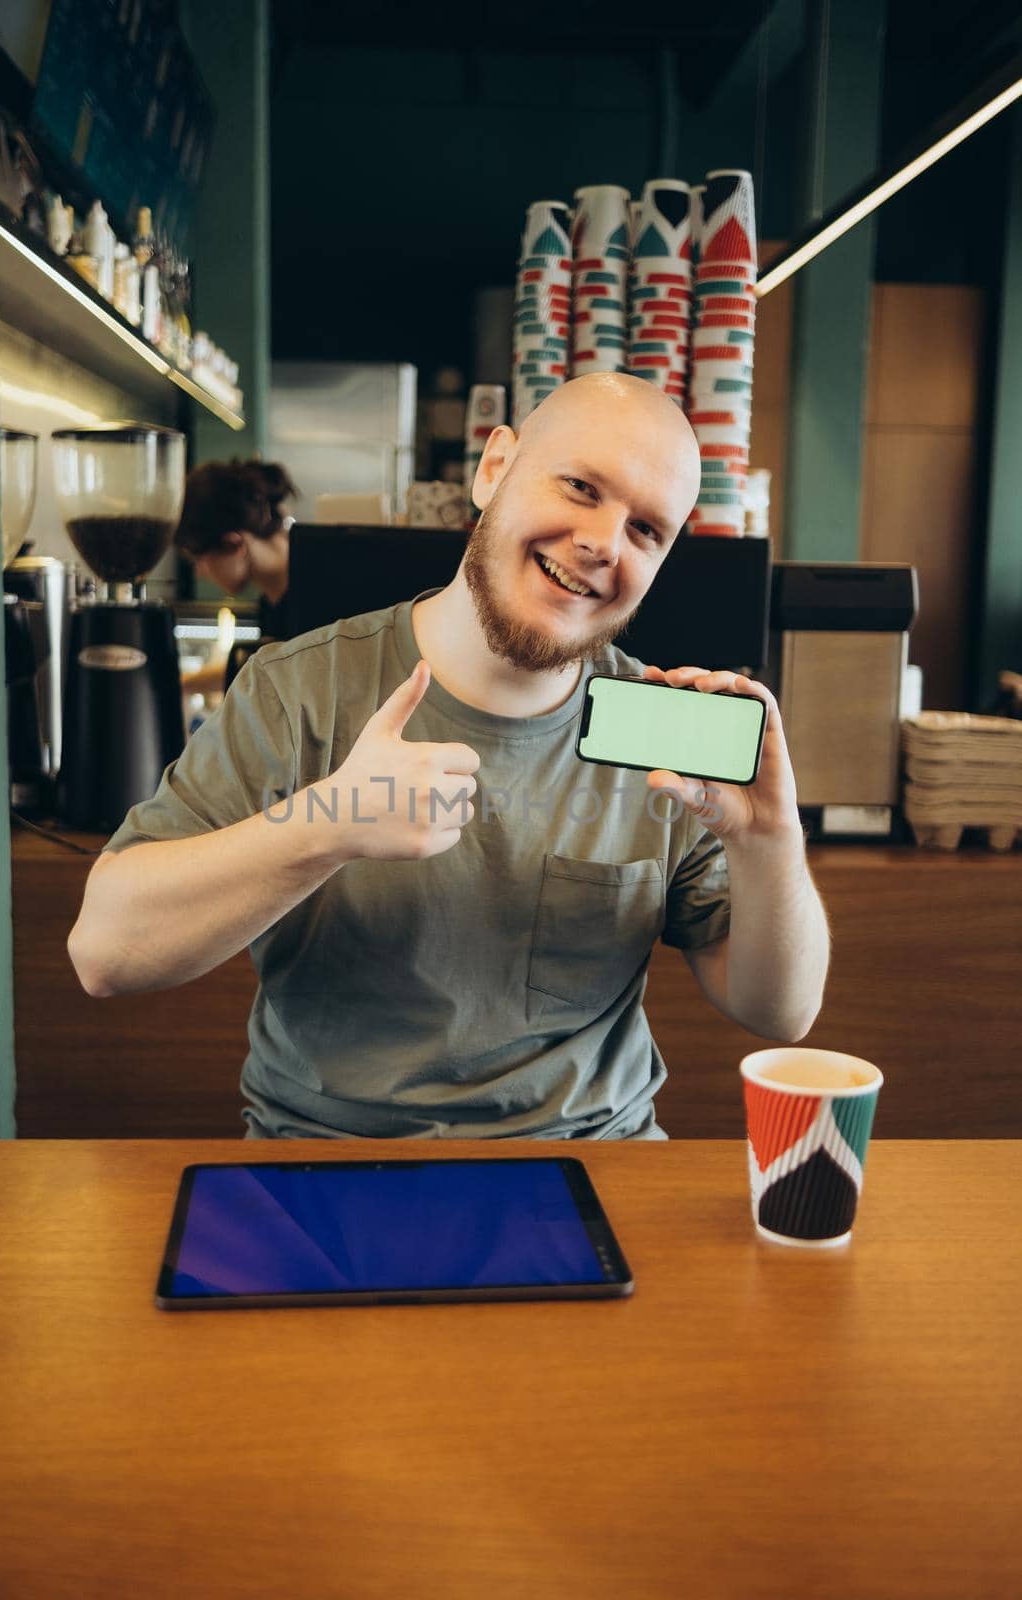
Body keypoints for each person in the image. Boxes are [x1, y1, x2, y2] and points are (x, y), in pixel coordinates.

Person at [68, 373, 830, 1142]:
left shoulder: (660, 732)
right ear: (494, 467)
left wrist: (768, 842)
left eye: (645, 531)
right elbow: (105, 956)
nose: (602, 542)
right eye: (578, 486)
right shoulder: (297, 689)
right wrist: (328, 826)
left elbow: (780, 1011)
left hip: (595, 1162)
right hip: (328, 1161)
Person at [173, 459, 297, 696]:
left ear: (234, 544)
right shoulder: (273, 602)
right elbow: (256, 672)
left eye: (199, 559)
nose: (200, 573)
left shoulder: (312, 594)